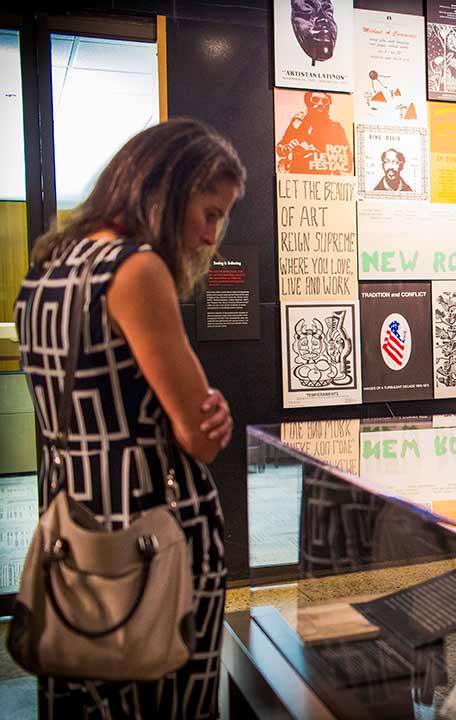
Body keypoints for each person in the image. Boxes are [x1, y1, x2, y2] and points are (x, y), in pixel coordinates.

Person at [14, 118, 245, 718]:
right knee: (166, 698)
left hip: (72, 524)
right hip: (150, 537)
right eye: (210, 211)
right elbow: (198, 435)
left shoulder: (48, 267)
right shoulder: (137, 269)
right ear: (167, 191)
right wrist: (204, 414)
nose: (211, 235)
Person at [276, 91, 353, 175]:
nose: (320, 103)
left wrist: (315, 154)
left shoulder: (336, 128)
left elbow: (348, 163)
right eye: (315, 99)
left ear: (328, 105)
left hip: (324, 179)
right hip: (298, 177)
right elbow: (280, 147)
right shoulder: (297, 122)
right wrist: (286, 148)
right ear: (308, 102)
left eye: (325, 101)